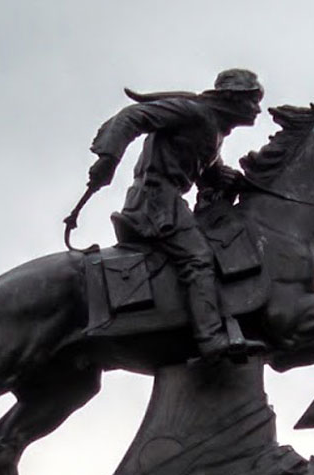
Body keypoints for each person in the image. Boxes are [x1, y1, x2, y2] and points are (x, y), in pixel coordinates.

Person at [86, 69, 264, 360]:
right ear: (233, 97)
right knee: (198, 257)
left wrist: (234, 179)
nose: (257, 108)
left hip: (168, 201)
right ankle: (210, 338)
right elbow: (132, 116)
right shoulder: (192, 113)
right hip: (156, 202)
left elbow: (209, 171)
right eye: (253, 99)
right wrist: (109, 158)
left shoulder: (212, 129)